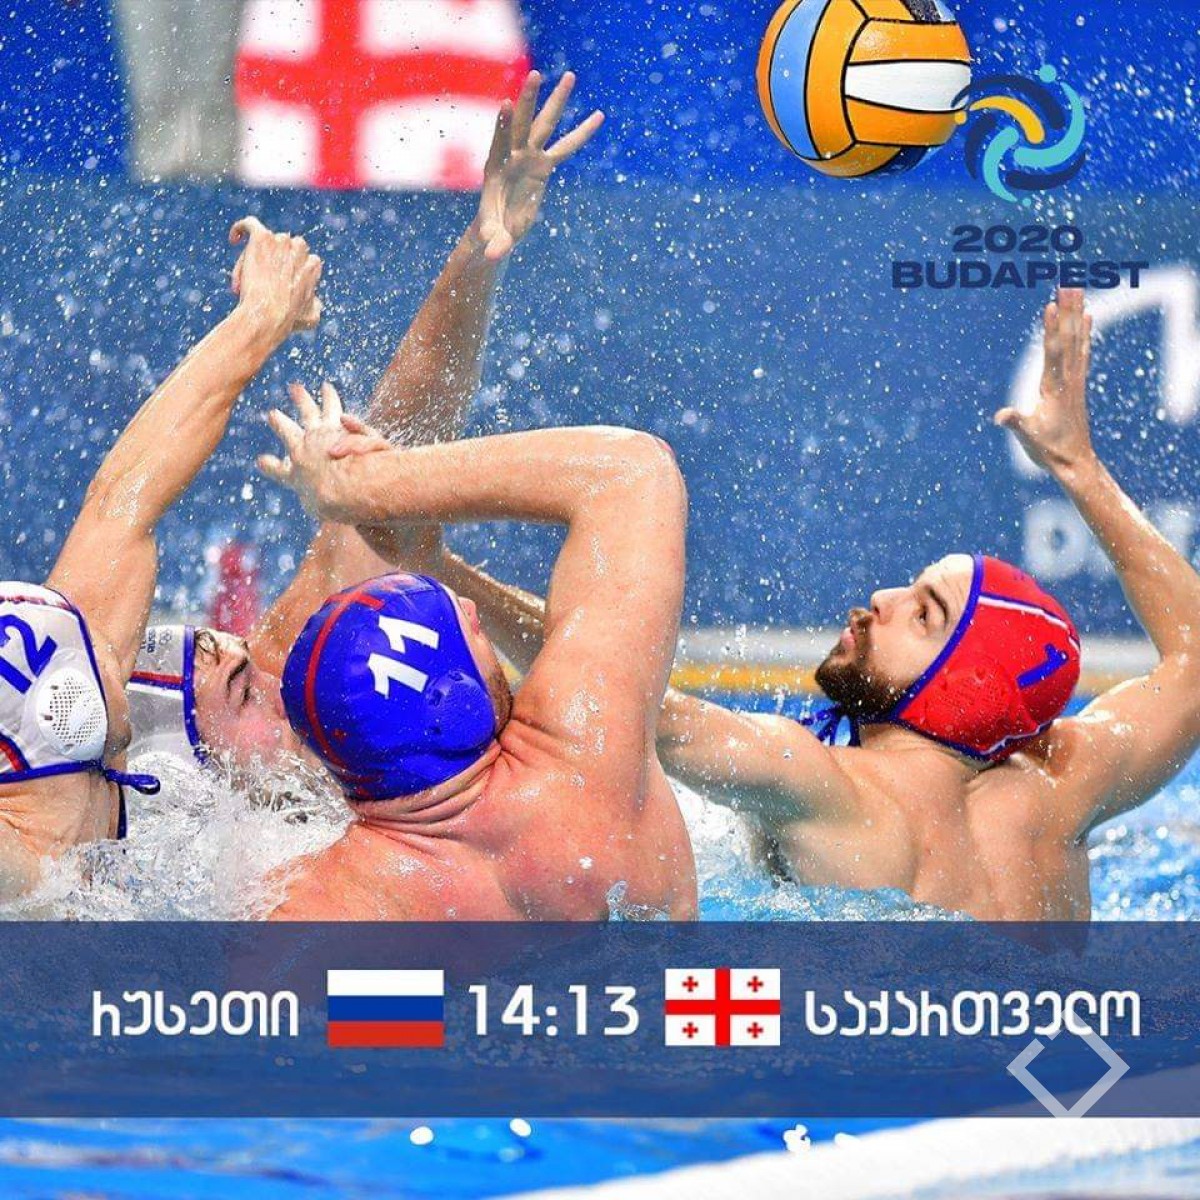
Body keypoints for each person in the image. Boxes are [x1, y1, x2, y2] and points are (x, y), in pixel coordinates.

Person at [434, 288, 1200, 921]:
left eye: (924, 614)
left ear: (964, 692)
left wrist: (442, 570)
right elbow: (1194, 659)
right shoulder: (1062, 794)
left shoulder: (827, 789)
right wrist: (1077, 465)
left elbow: (619, 696)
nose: (881, 600)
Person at [125, 71, 605, 779]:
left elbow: (410, 427)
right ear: (191, 771)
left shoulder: (300, 669)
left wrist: (477, 250)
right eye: (244, 694)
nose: (279, 688)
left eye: (248, 662)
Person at [256, 385, 697, 921]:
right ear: (456, 706)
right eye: (470, 627)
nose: (471, 606)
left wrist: (429, 559)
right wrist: (363, 486)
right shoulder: (590, 767)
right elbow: (631, 471)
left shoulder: (315, 905)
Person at [0, 220, 322, 900]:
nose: (115, 658)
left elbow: (123, 502)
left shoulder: (86, 677)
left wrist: (259, 320)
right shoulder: (23, 880)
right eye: (84, 688)